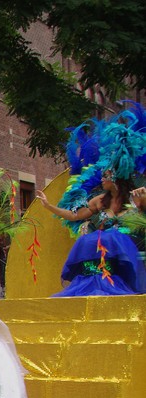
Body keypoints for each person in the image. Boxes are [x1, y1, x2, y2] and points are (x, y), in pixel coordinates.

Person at [36, 104, 146, 296]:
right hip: (102, 257)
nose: (102, 179)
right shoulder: (100, 200)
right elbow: (74, 215)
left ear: (116, 178)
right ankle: (94, 284)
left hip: (126, 256)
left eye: (106, 175)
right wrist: (48, 206)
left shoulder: (136, 198)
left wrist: (142, 203)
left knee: (110, 237)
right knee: (90, 240)